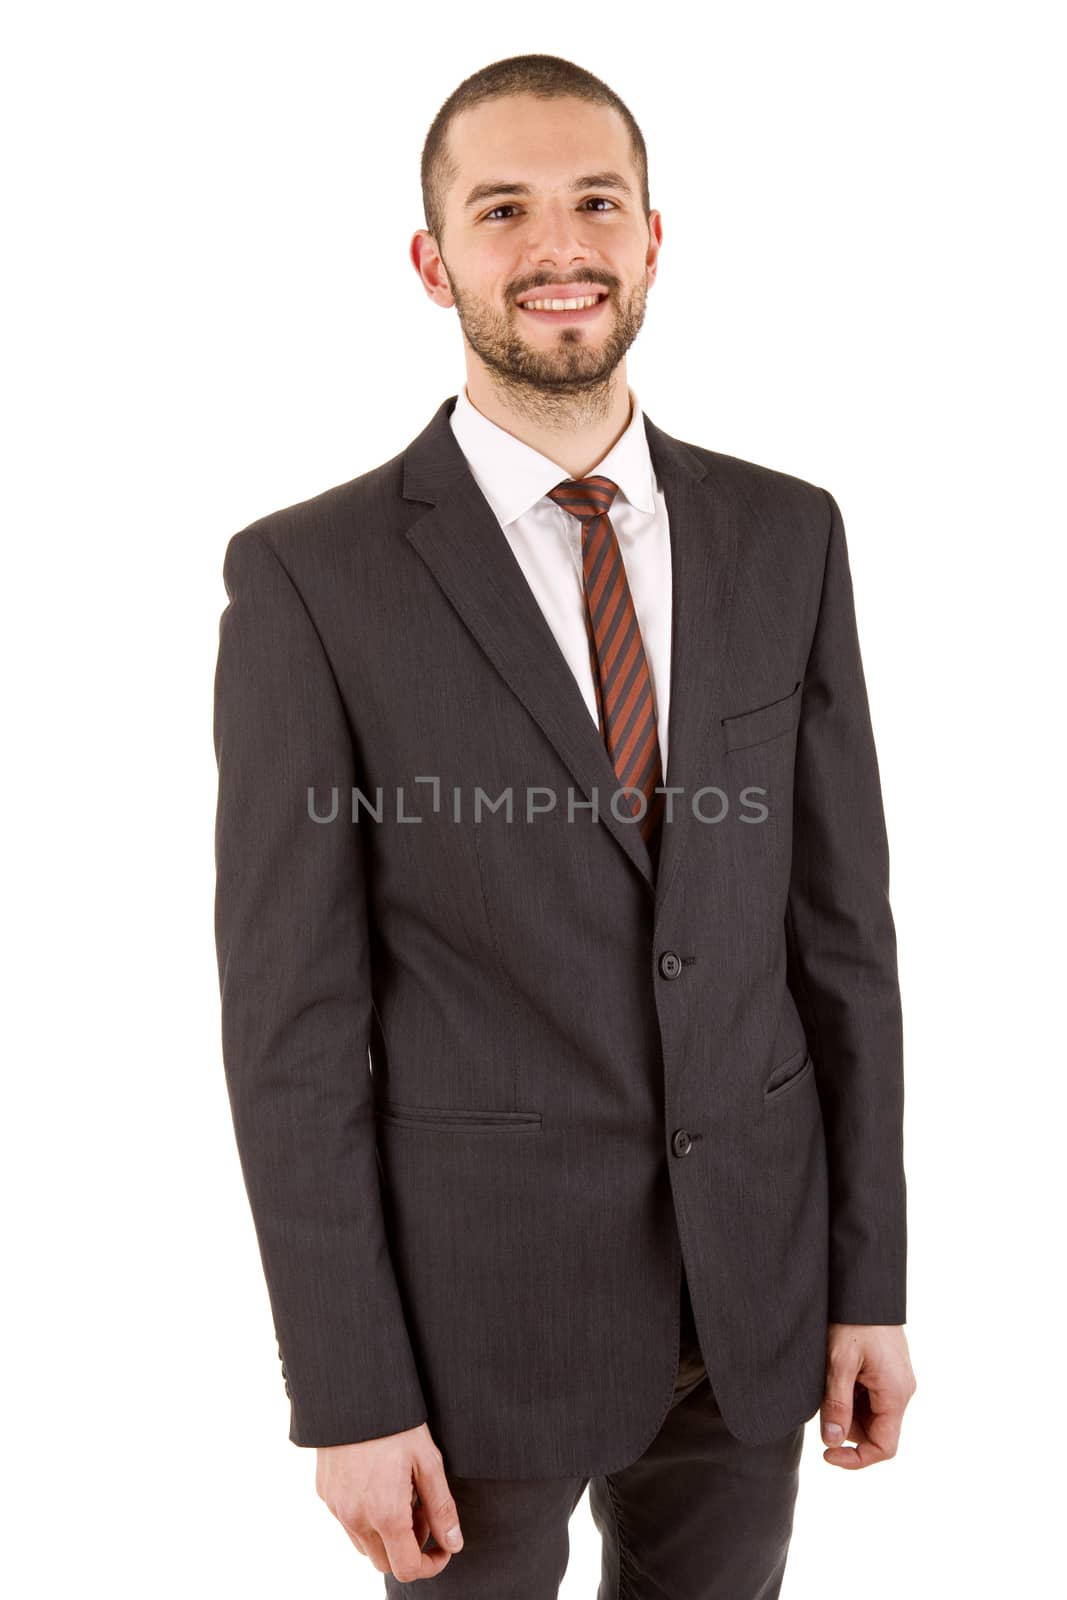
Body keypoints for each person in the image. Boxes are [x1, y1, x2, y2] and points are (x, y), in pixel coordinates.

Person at [212, 52, 917, 1597]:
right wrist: (349, 1389)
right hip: (472, 1333)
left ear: (654, 239)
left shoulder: (786, 536)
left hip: (755, 1303)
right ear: (433, 259)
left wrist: (869, 1282)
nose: (560, 246)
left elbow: (842, 937)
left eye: (597, 202)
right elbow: (293, 1022)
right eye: (504, 208)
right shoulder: (311, 583)